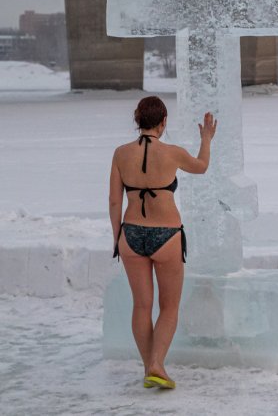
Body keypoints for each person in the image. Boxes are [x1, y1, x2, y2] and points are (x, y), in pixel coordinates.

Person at [109, 95, 217, 390]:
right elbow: (202, 166)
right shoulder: (172, 153)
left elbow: (114, 199)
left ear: (137, 120)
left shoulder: (120, 154)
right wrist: (206, 138)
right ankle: (156, 365)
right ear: (164, 122)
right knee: (169, 307)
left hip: (131, 234)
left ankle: (150, 368)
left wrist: (116, 237)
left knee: (141, 306)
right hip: (167, 235)